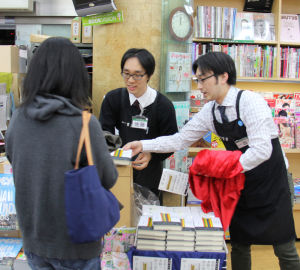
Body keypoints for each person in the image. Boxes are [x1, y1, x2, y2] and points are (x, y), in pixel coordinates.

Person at [124, 52, 300, 270]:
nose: (199, 85)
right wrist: (144, 145)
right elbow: (181, 139)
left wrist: (227, 167)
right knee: (239, 243)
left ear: (223, 77)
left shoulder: (250, 102)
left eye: (203, 79)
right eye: (197, 79)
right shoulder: (211, 111)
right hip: (240, 184)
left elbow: (263, 150)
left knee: (284, 246)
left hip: (271, 183)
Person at [5, 37, 118, 270]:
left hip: (34, 242)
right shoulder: (85, 124)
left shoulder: (18, 119)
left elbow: (13, 157)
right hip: (78, 243)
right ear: (76, 76)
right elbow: (109, 178)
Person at [99, 48, 178, 196]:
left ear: (149, 75)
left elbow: (172, 141)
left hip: (150, 176)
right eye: (126, 73)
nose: (130, 80)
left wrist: (151, 155)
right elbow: (104, 133)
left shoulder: (163, 106)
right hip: (118, 174)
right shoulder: (113, 99)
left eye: (137, 75)